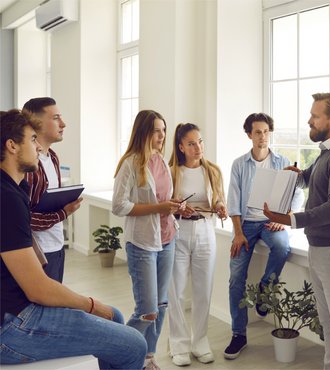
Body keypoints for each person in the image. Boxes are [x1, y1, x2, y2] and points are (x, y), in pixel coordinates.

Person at [0, 109, 147, 369]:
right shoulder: (7, 198)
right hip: (12, 325)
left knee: (116, 315)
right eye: (32, 139)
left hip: (16, 309)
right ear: (12, 146)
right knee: (134, 344)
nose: (38, 147)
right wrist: (91, 304)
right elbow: (38, 289)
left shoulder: (15, 187)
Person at [263, 93, 330, 370]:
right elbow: (310, 178)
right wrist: (295, 176)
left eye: (315, 116)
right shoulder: (328, 153)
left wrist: (290, 219)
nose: (309, 120)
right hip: (322, 250)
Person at [224, 113, 304, 360]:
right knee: (236, 277)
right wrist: (238, 233)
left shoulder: (283, 161)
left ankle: (265, 289)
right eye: (257, 132)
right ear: (249, 134)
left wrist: (287, 218)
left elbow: (297, 193)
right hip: (247, 223)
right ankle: (239, 334)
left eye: (266, 131)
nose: (262, 137)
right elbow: (233, 201)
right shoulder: (240, 164)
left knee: (282, 247)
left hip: (272, 222)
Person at [112, 110, 183, 370]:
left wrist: (175, 207)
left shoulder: (161, 161)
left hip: (167, 240)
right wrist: (159, 208)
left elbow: (164, 201)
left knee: (161, 305)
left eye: (163, 130)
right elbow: (119, 206)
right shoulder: (130, 163)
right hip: (142, 244)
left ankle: (147, 357)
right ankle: (113, 350)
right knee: (147, 310)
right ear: (143, 132)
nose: (162, 135)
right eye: (156, 130)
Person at [167, 123, 228, 366]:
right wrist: (178, 206)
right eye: (191, 143)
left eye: (200, 142)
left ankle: (199, 342)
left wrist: (221, 206)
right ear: (181, 147)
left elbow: (219, 198)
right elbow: (165, 203)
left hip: (205, 230)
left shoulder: (212, 170)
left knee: (204, 291)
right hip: (179, 230)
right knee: (177, 290)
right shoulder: (172, 171)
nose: (198, 147)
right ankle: (178, 345)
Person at [22, 97, 82, 282]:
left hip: (56, 246)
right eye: (56, 118)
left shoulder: (53, 157)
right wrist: (63, 213)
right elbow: (23, 218)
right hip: (36, 251)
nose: (63, 124)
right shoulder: (28, 165)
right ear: (36, 123)